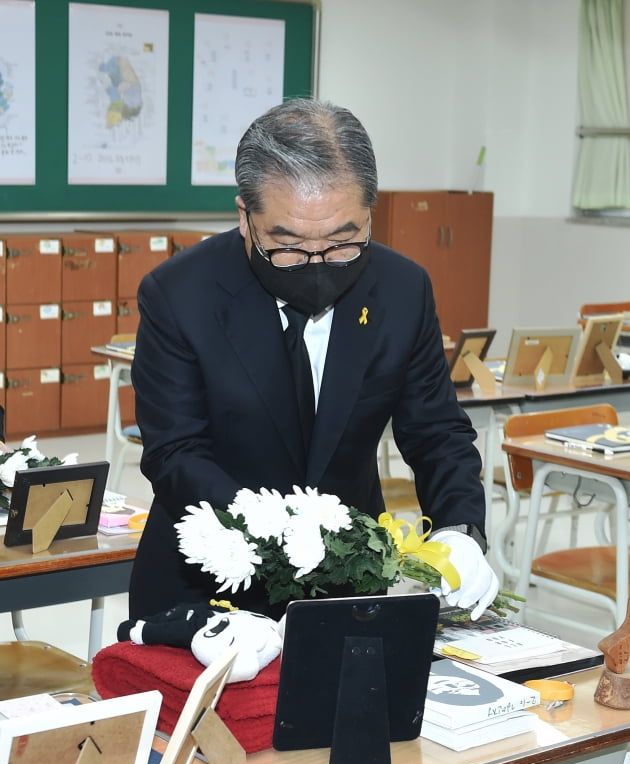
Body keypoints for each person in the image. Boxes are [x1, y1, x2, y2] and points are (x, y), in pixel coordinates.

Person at [128, 98, 498, 621]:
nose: (318, 264)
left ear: (370, 213)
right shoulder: (181, 294)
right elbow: (175, 452)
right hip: (212, 579)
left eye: (344, 242)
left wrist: (459, 532)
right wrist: (279, 530)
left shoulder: (401, 289)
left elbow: (436, 431)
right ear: (245, 218)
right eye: (290, 246)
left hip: (352, 579)